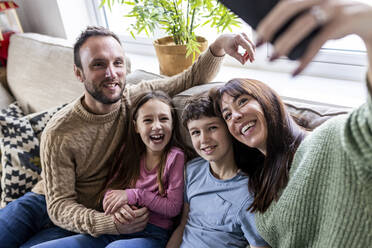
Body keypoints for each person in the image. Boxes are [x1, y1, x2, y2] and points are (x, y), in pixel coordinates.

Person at [0, 26, 256, 248]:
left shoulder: (134, 100)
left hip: (92, 217)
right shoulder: (59, 132)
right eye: (98, 64)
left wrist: (220, 45)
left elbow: (189, 78)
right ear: (79, 74)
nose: (111, 73)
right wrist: (109, 222)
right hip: (43, 203)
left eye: (117, 63)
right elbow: (59, 206)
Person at [213, 0, 372, 247]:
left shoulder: (329, 139)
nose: (235, 116)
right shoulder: (258, 183)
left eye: (242, 101)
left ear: (269, 102)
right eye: (227, 115)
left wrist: (368, 27)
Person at [166, 93, 269, 248]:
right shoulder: (192, 170)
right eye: (195, 132)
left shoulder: (249, 192)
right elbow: (183, 226)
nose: (204, 140)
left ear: (229, 129)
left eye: (212, 128)